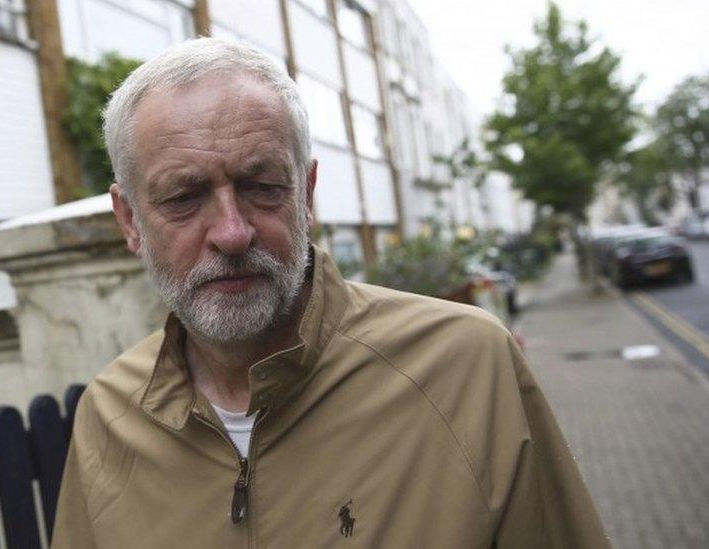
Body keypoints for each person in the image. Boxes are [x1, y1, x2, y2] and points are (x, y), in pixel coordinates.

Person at [51, 38, 609, 548]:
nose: (232, 232)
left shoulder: (467, 368)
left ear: (307, 194)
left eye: (263, 187)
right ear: (129, 220)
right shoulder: (109, 415)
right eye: (182, 197)